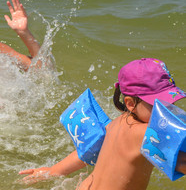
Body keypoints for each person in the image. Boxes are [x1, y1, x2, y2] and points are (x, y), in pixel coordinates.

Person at [19, 58, 186, 190]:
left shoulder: (115, 124)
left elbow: (90, 149)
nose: (165, 110)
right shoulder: (146, 133)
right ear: (129, 103)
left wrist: (53, 171)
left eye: (170, 103)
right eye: (157, 103)